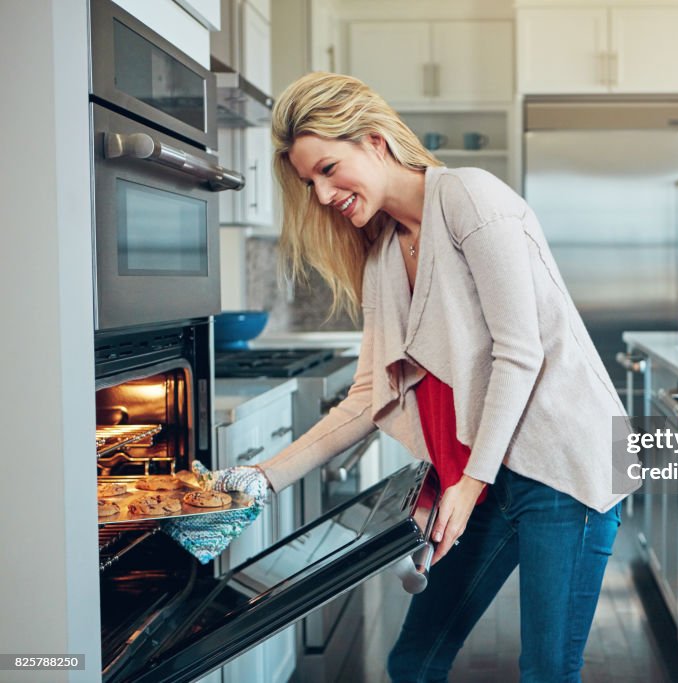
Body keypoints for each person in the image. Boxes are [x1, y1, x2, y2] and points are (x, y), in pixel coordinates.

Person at [185, 71, 638, 682]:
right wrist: (259, 479)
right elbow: (371, 394)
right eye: (308, 182)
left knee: (548, 671)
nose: (321, 196)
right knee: (413, 661)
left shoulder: (471, 198)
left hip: (571, 459)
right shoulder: (382, 256)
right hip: (494, 470)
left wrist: (469, 485)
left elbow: (520, 353)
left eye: (327, 168)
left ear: (373, 141)